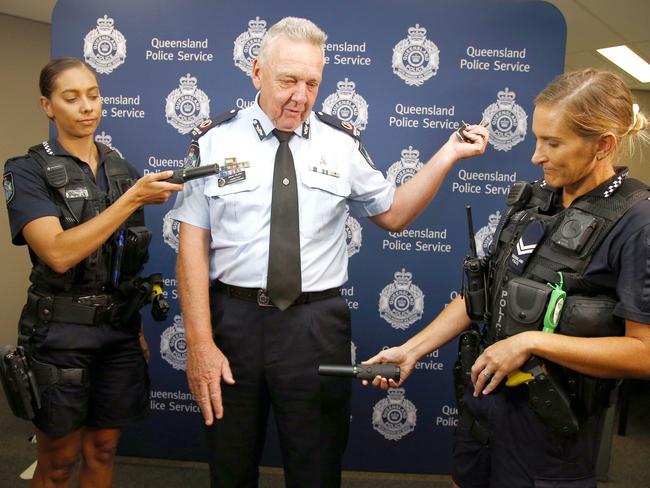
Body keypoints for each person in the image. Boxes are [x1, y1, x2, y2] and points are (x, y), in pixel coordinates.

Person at [171, 16, 488, 488]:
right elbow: (192, 243)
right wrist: (199, 343)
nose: (300, 95)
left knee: (316, 467)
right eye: (288, 81)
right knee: (230, 466)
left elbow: (393, 213)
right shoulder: (214, 140)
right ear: (257, 72)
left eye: (312, 83)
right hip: (233, 324)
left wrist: (448, 153)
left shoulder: (341, 143)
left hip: (314, 328)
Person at [364, 68, 650, 488]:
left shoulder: (636, 221)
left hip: (552, 437)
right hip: (484, 415)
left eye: (553, 143)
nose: (537, 155)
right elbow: (482, 296)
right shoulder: (533, 202)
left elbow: (643, 353)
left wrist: (529, 341)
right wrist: (411, 349)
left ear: (603, 145)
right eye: (537, 138)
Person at [2, 57, 182, 487]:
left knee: (103, 449)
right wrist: (131, 201)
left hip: (118, 332)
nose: (87, 106)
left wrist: (134, 325)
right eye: (71, 97)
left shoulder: (122, 171)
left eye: (93, 94)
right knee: (59, 461)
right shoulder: (25, 171)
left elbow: (126, 260)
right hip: (59, 334)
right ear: (48, 106)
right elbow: (59, 254)